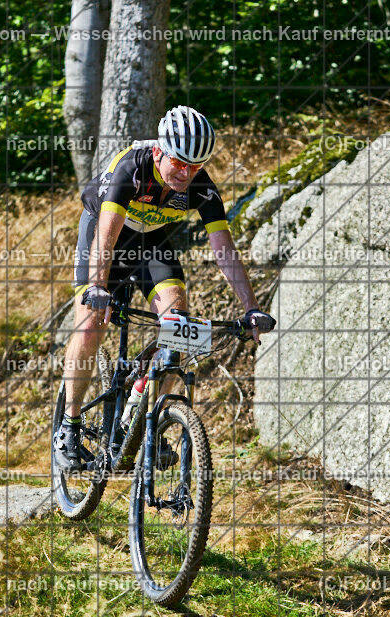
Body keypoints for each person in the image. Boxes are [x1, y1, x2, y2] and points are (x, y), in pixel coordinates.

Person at [53, 105, 276, 471]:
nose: (187, 173)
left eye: (196, 166)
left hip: (151, 247)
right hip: (105, 237)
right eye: (180, 163)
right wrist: (97, 286)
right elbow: (106, 236)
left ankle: (146, 417)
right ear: (159, 152)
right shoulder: (132, 167)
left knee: (181, 330)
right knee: (91, 322)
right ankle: (69, 426)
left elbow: (224, 250)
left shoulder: (200, 187)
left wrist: (250, 308)